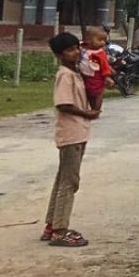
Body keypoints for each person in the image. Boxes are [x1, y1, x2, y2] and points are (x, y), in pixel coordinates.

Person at [42, 32, 98, 247]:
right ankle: (60, 230)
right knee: (69, 182)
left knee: (62, 179)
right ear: (59, 55)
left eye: (76, 48)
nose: (75, 52)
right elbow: (63, 104)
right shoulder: (65, 75)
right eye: (69, 50)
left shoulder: (76, 73)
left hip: (78, 133)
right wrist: (86, 113)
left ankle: (52, 224)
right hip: (71, 134)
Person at [79, 26, 113, 111]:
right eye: (100, 40)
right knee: (89, 95)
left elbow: (105, 65)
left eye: (104, 40)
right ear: (88, 40)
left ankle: (96, 110)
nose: (103, 43)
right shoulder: (82, 49)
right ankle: (92, 108)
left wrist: (107, 77)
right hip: (85, 77)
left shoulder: (100, 53)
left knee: (98, 94)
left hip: (96, 77)